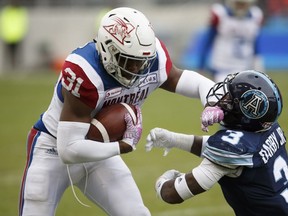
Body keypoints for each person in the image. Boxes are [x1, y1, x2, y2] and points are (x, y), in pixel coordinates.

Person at [18, 7, 224, 216]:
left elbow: (189, 80)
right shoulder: (86, 71)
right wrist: (123, 146)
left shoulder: (151, 58)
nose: (137, 68)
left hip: (100, 150)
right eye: (130, 61)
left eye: (142, 61)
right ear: (108, 50)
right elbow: (68, 149)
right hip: (52, 148)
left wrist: (213, 102)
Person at [146, 70, 288, 216]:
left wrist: (161, 183)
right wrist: (174, 139)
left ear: (246, 112)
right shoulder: (268, 127)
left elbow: (172, 194)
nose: (223, 99)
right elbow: (227, 146)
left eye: (230, 98)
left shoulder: (234, 150)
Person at [196, 0, 264, 82]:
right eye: (238, 3)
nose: (240, 7)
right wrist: (201, 65)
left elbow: (255, 44)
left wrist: (258, 66)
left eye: (243, 4)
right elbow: (207, 41)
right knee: (223, 93)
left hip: (245, 68)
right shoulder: (221, 14)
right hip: (221, 67)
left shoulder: (255, 15)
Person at [0, 0, 28, 69]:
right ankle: (8, 67)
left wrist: (21, 33)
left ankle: (16, 67)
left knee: (17, 54)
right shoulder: (6, 11)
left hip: (17, 36)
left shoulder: (20, 12)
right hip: (8, 36)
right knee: (8, 54)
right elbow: (3, 23)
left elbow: (23, 23)